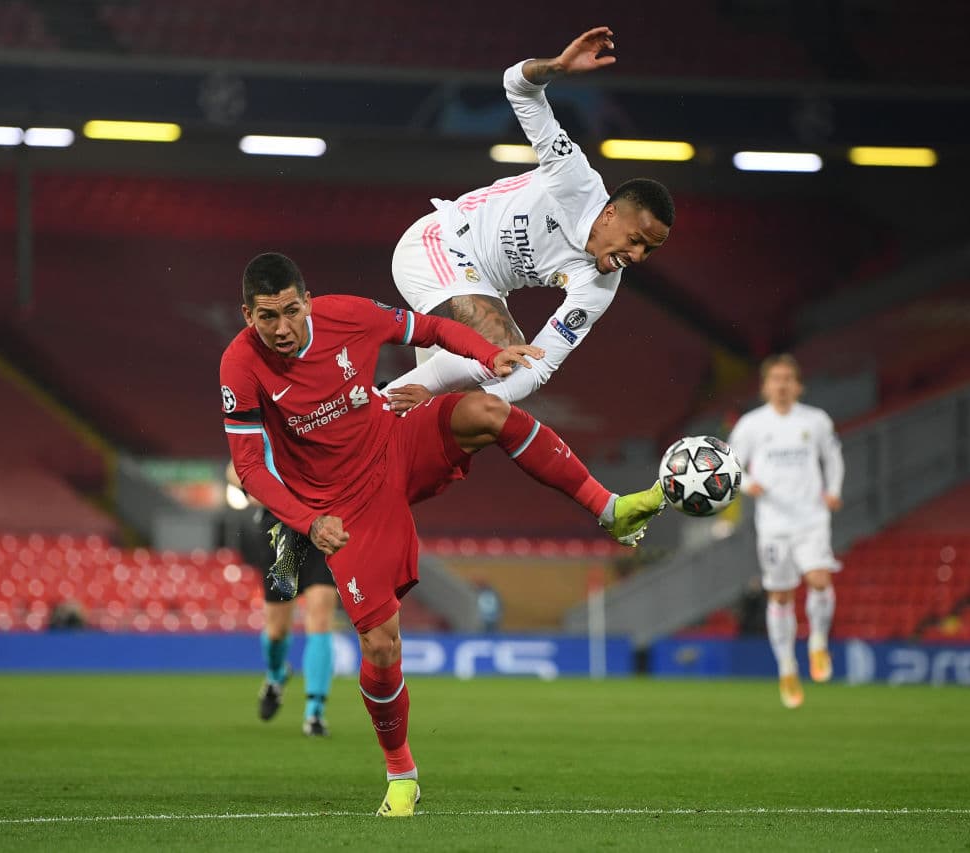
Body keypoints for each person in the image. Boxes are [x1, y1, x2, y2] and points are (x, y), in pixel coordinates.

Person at [220, 252, 665, 817]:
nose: (282, 327)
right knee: (381, 645)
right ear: (248, 315)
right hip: (342, 507)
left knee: (486, 411)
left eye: (291, 311)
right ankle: (401, 772)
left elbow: (428, 328)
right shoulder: (240, 365)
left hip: (395, 439)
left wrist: (488, 353)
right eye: (267, 316)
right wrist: (309, 520)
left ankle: (610, 508)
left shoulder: (348, 315)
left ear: (308, 301)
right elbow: (251, 469)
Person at [384, 26, 675, 412]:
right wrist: (556, 67)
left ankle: (374, 410)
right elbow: (518, 88)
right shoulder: (574, 177)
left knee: (481, 390)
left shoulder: (600, 287)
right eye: (635, 240)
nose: (637, 256)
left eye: (648, 250)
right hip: (438, 244)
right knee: (502, 348)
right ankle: (363, 413)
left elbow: (540, 365)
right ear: (609, 213)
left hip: (479, 287)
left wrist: (479, 403)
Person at [728, 354, 844, 709]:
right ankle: (787, 666)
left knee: (820, 579)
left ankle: (818, 643)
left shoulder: (815, 420)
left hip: (811, 518)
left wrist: (833, 490)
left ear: (798, 385)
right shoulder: (751, 425)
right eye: (776, 379)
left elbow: (833, 457)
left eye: (788, 378)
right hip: (774, 524)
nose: (782, 385)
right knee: (780, 596)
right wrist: (748, 484)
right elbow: (731, 465)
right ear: (765, 386)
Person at [227, 461, 337, 736]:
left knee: (321, 617)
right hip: (280, 526)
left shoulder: (329, 430)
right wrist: (251, 486)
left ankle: (315, 712)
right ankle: (276, 674)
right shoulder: (267, 432)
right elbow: (233, 469)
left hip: (323, 521)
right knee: (276, 630)